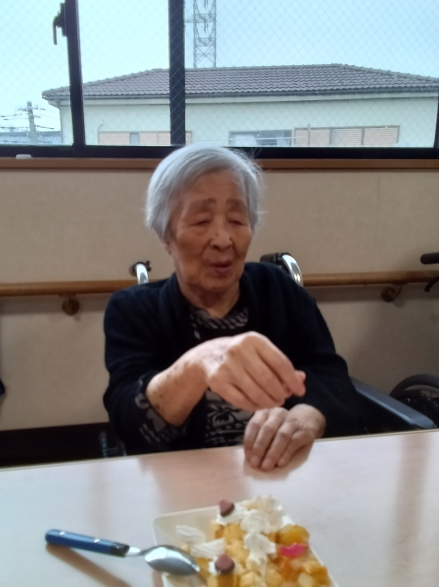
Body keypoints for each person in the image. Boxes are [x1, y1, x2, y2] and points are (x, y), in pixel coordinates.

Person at [103, 143, 360, 470]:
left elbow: (332, 377)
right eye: (201, 221)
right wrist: (198, 364)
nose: (223, 240)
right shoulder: (133, 309)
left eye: (237, 220)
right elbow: (128, 421)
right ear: (166, 236)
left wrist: (306, 418)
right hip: (186, 484)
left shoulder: (278, 289)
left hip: (280, 477)